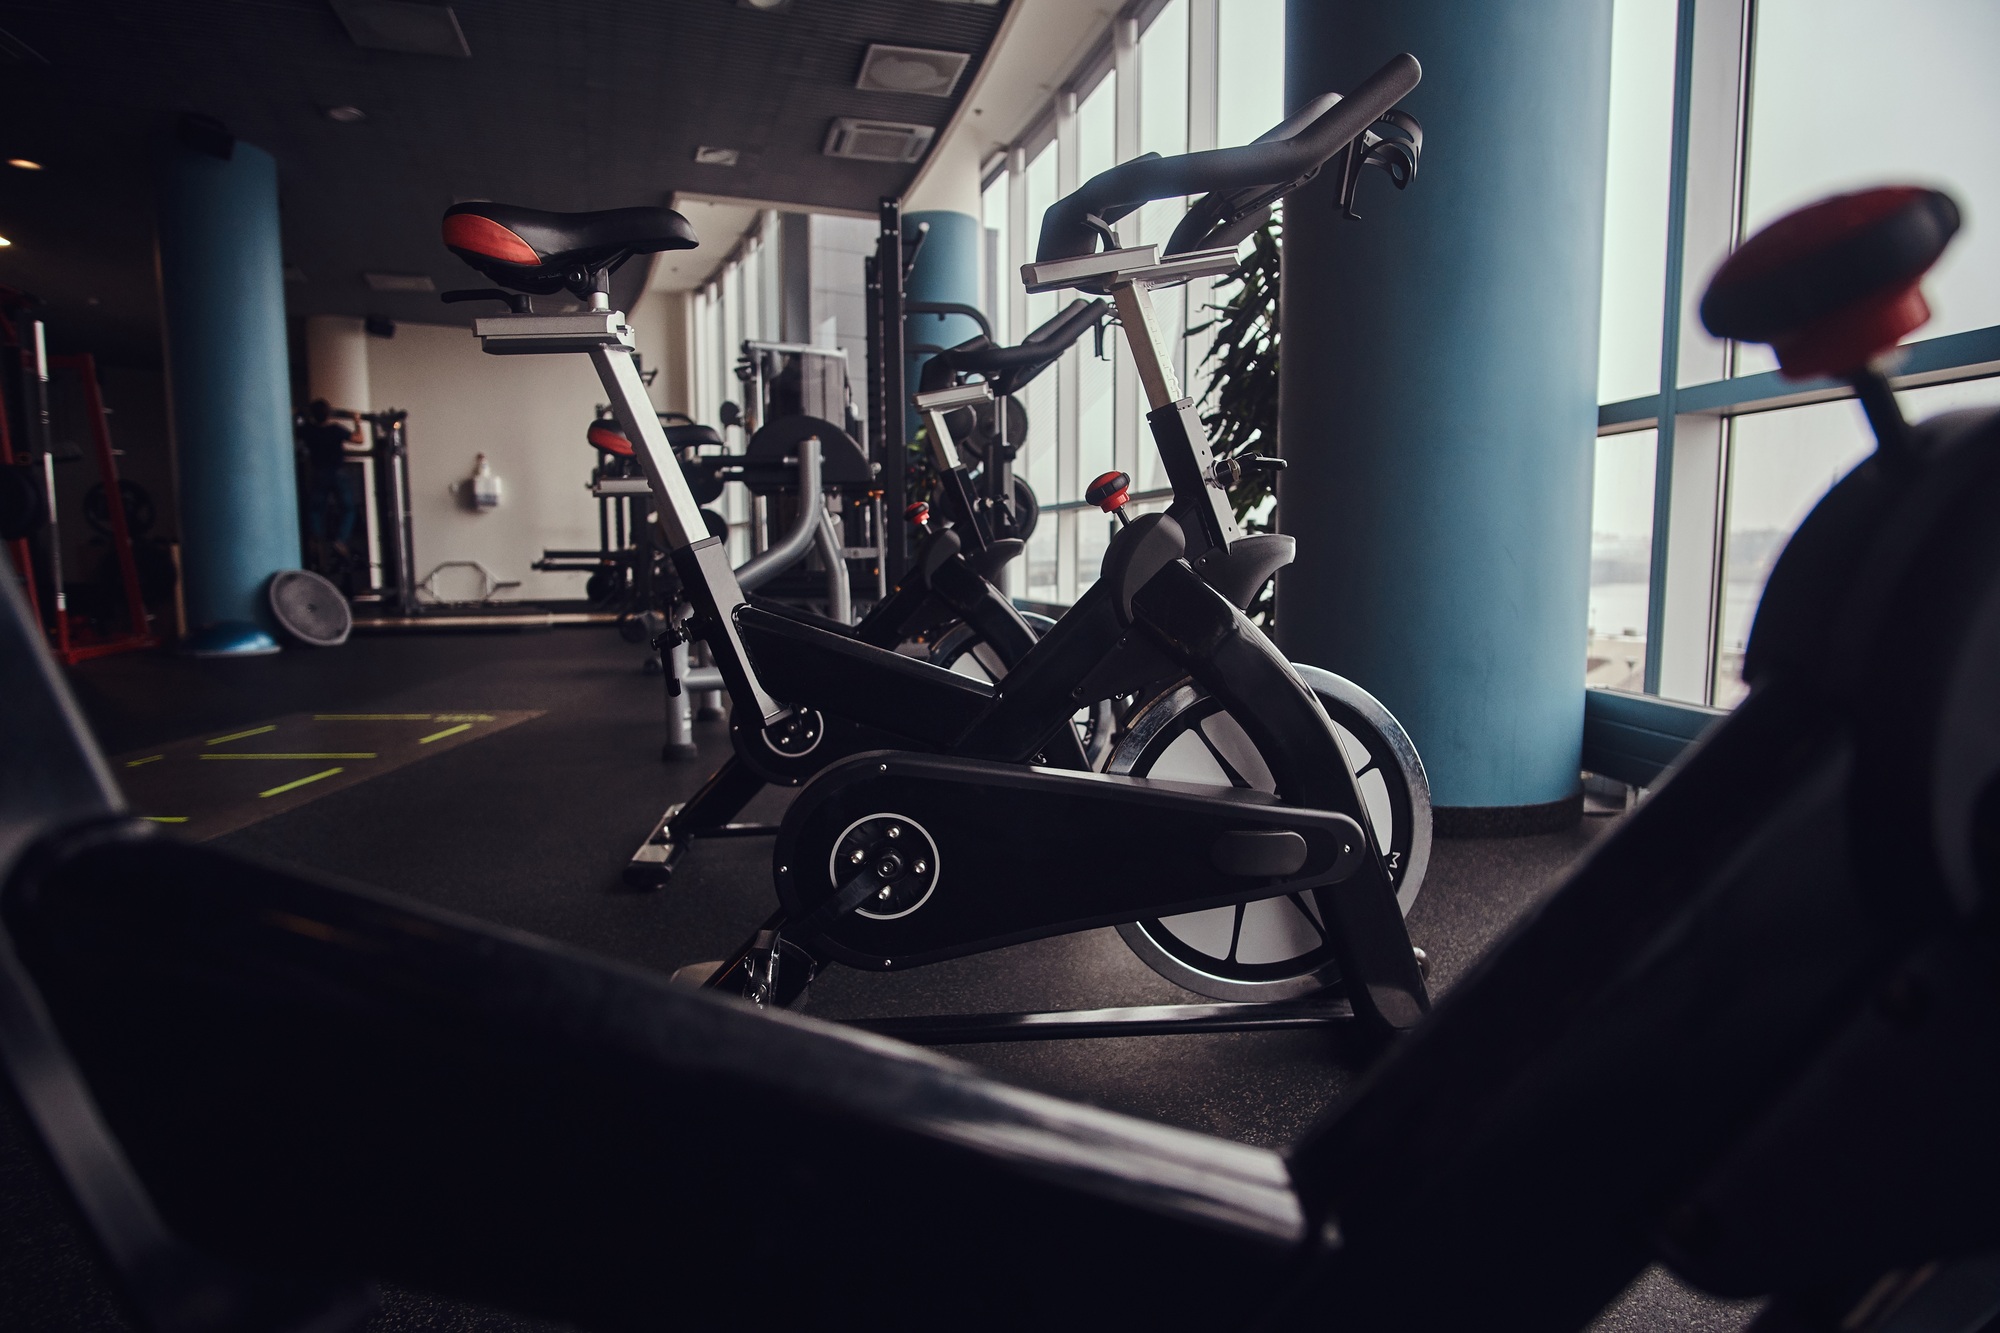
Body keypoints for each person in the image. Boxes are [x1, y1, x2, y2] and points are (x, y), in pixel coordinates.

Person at [296, 399, 363, 571]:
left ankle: (316, 539)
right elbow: (359, 439)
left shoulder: (308, 431)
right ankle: (340, 540)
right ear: (329, 413)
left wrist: (298, 414)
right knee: (348, 508)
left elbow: (296, 430)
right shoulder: (335, 430)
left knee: (315, 509)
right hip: (338, 472)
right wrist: (357, 422)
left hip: (319, 472)